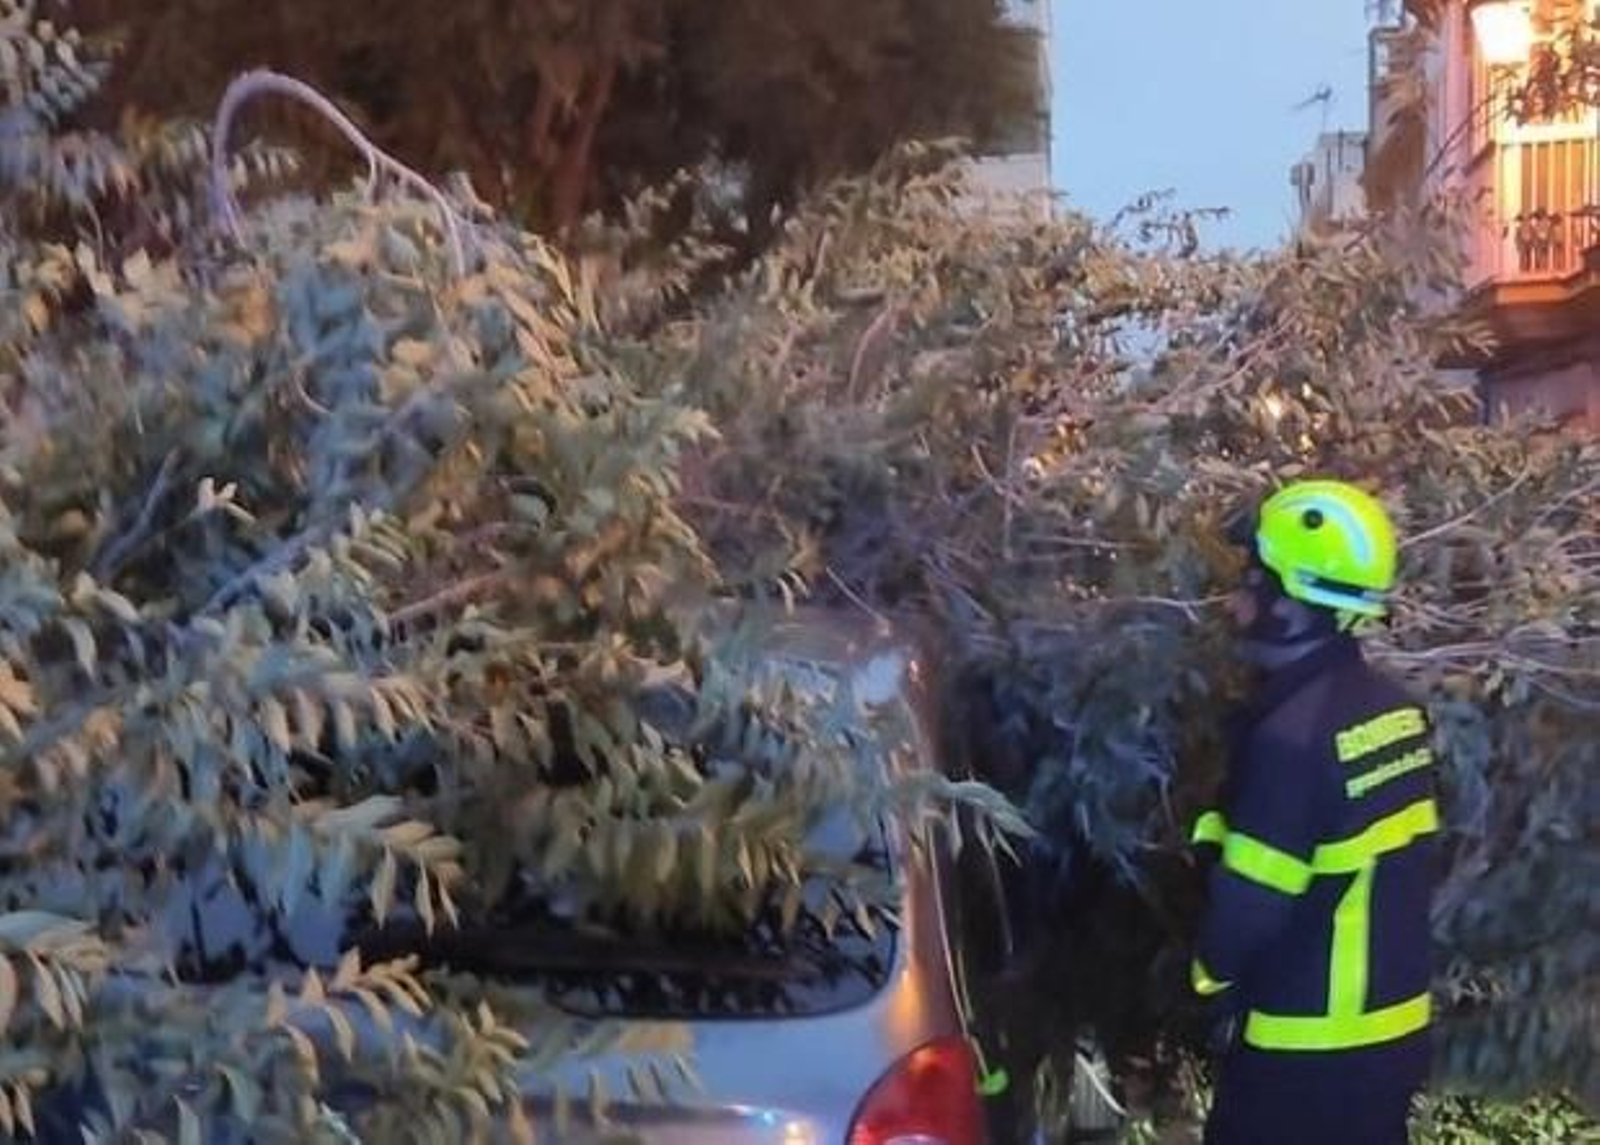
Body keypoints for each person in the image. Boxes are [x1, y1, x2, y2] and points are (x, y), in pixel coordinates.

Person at [1190, 479, 1440, 1145]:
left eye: (1254, 580)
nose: (1237, 600)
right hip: (1390, 1033)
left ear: (1296, 608)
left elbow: (1251, 903)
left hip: (1305, 1048)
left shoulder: (1292, 740)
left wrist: (1206, 971)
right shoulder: (1391, 709)